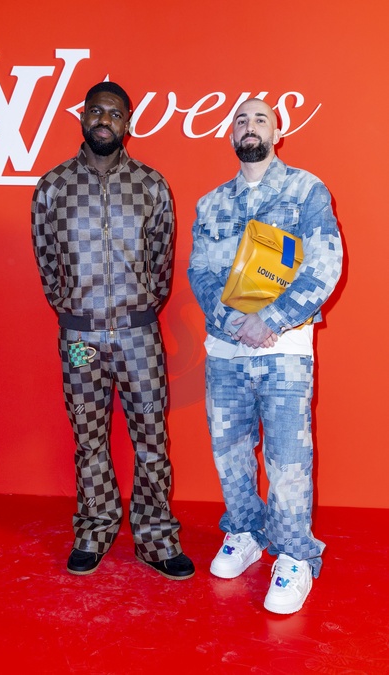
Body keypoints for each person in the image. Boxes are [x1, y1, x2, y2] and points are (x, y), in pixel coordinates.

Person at [32, 81, 194, 580]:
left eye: (115, 113)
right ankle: (94, 529)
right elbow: (45, 259)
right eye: (96, 111)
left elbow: (162, 259)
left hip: (138, 337)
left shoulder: (150, 185)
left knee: (151, 438)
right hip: (79, 340)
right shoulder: (54, 186)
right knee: (89, 438)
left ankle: (156, 537)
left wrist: (139, 309)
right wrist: (72, 311)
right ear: (82, 116)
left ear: (128, 123)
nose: (105, 120)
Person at [188, 98, 342, 613]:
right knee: (229, 451)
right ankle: (244, 533)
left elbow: (325, 264)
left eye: (261, 119)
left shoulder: (306, 190)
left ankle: (295, 557)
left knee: (287, 458)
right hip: (225, 350)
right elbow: (200, 273)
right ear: (230, 134)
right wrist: (234, 323)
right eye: (241, 119)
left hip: (285, 350)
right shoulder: (211, 203)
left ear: (277, 133)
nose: (249, 126)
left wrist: (271, 320)